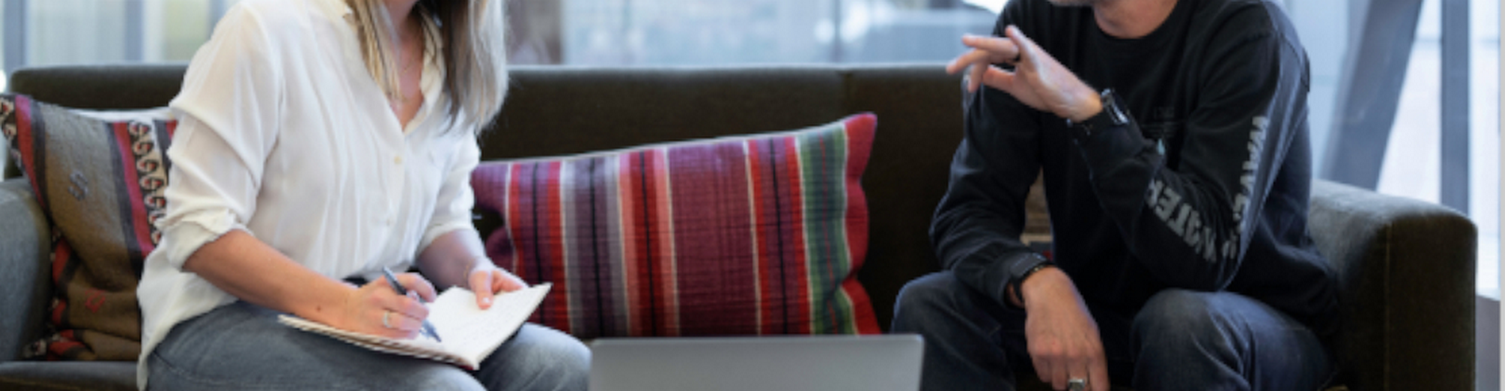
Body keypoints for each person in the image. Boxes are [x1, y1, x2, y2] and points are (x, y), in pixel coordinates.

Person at [135, 0, 590, 389]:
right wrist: (344, 305)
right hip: (220, 319)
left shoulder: (444, 54)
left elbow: (440, 222)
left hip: (370, 320)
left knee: (566, 368)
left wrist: (475, 268)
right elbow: (196, 230)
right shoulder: (265, 28)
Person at [891, 0, 1338, 390]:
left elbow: (1207, 259)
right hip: (1106, 314)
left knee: (1179, 322)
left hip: (1254, 323)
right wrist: (1037, 279)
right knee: (931, 306)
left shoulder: (1249, 31)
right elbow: (967, 212)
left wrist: (1091, 115)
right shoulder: (1031, 23)